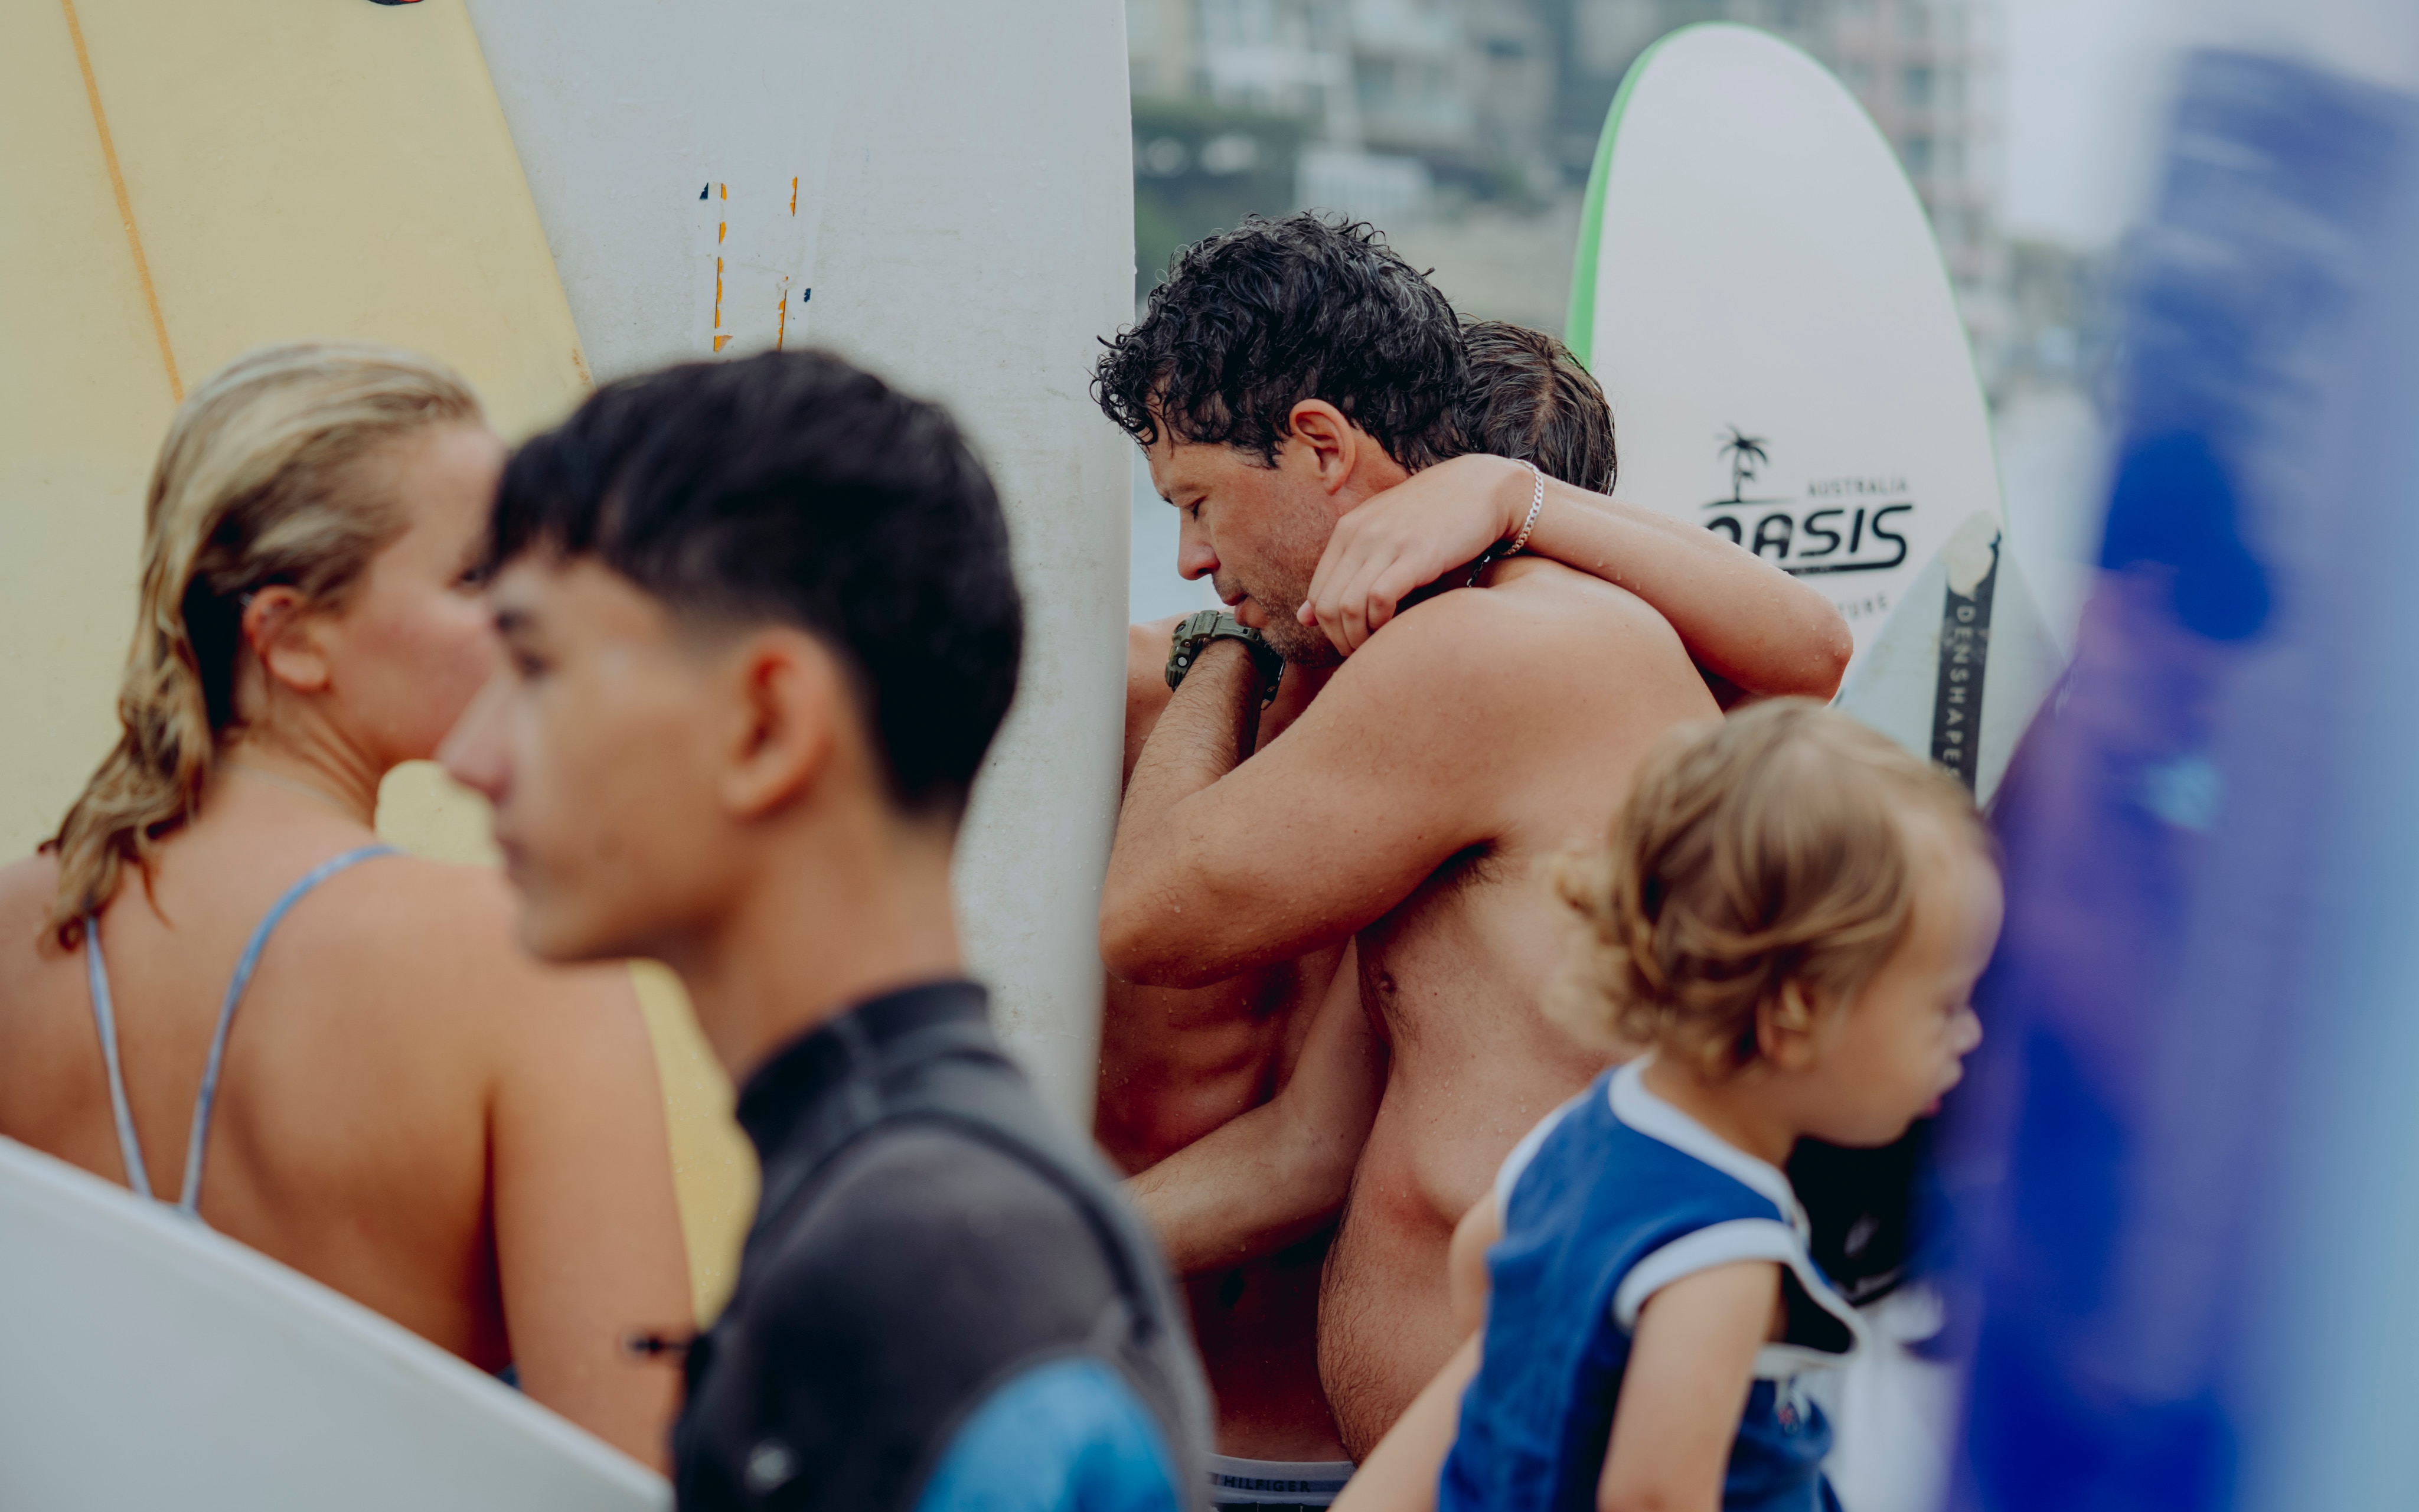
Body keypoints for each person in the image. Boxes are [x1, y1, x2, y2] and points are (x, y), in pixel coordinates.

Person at [1092, 213, 1853, 1465]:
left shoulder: (1501, 647)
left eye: (1198, 506)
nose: (1188, 559)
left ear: (1323, 446)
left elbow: (1153, 915)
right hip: (1458, 1454)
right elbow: (1317, 1144)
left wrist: (1236, 638)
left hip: (1557, 1452)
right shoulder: (1445, 702)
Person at [438, 350, 1213, 1511]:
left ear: (766, 724)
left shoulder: (928, 1267)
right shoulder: (908, 1203)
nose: (470, 756)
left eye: (536, 665)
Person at [0, 342, 693, 1467]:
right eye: (476, 578)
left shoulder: (12, 932)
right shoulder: (519, 961)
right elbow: (630, 1470)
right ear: (291, 635)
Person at [1337, 701, 2000, 1512]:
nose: (1969, 1034)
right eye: (1942, 1005)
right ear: (1796, 1013)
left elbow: (1481, 1264)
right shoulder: (1723, 1251)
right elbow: (1653, 1495)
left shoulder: (1593, 1123)